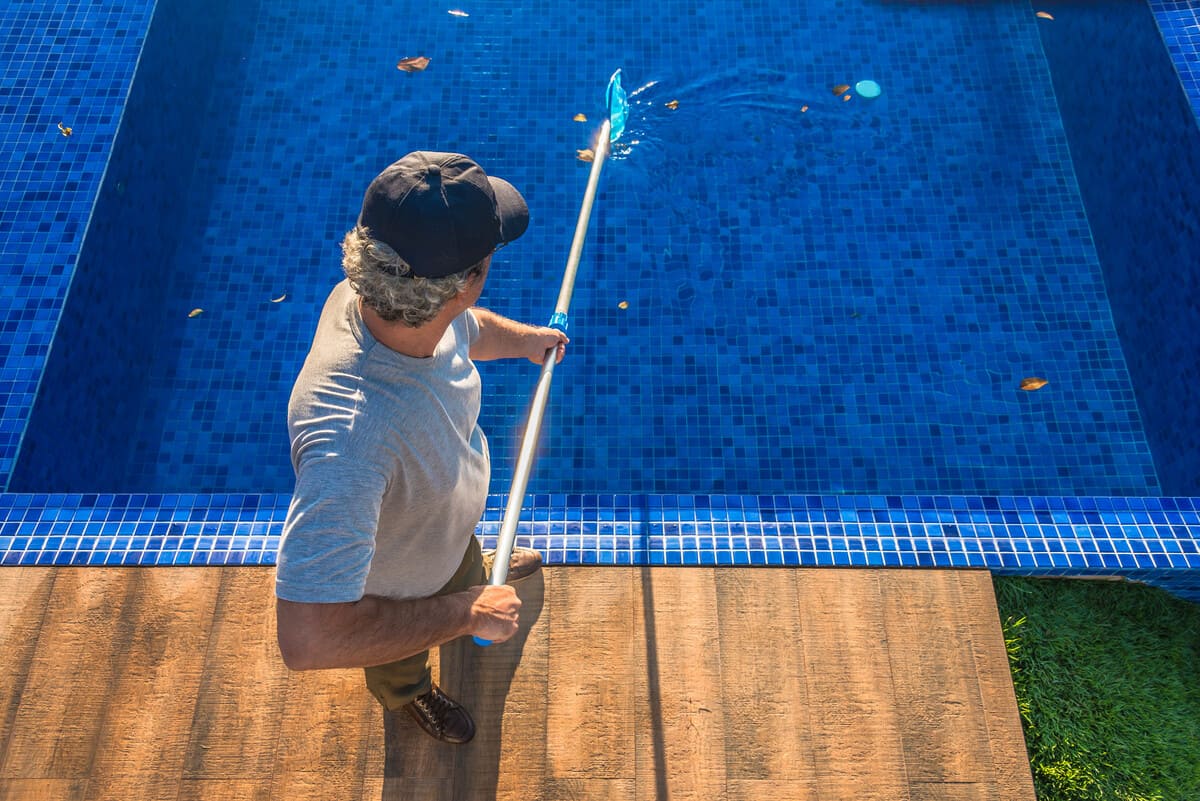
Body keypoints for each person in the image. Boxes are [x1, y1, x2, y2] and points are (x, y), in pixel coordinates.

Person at [274, 151, 568, 745]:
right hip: (393, 589)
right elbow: (307, 637)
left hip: (441, 531)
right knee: (400, 661)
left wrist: (527, 342)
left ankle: (472, 573)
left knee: (462, 564)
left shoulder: (391, 299)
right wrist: (465, 613)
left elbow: (468, 327)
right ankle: (410, 696)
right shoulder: (351, 442)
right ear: (467, 281)